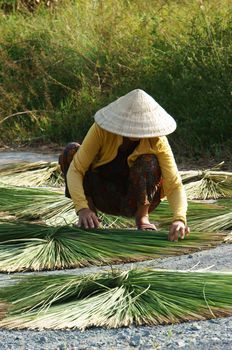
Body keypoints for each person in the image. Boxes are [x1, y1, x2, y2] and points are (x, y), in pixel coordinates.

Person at [61, 89, 189, 241]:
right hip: (103, 194)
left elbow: (174, 184)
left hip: (133, 199)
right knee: (71, 151)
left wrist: (179, 219)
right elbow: (76, 169)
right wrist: (82, 208)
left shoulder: (157, 140)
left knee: (149, 160)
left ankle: (142, 217)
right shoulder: (101, 130)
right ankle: (90, 218)